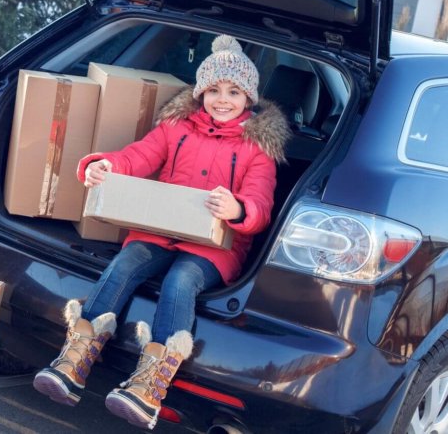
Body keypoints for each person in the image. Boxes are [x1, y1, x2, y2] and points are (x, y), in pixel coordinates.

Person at [32, 35, 291, 429]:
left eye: (234, 92)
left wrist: (238, 209)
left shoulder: (258, 149)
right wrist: (105, 166)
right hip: (158, 232)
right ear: (201, 93)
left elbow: (261, 206)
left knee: (180, 281)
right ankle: (74, 361)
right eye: (214, 90)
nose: (223, 100)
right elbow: (139, 156)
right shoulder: (176, 128)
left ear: (249, 98)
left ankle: (149, 388)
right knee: (123, 265)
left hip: (216, 249)